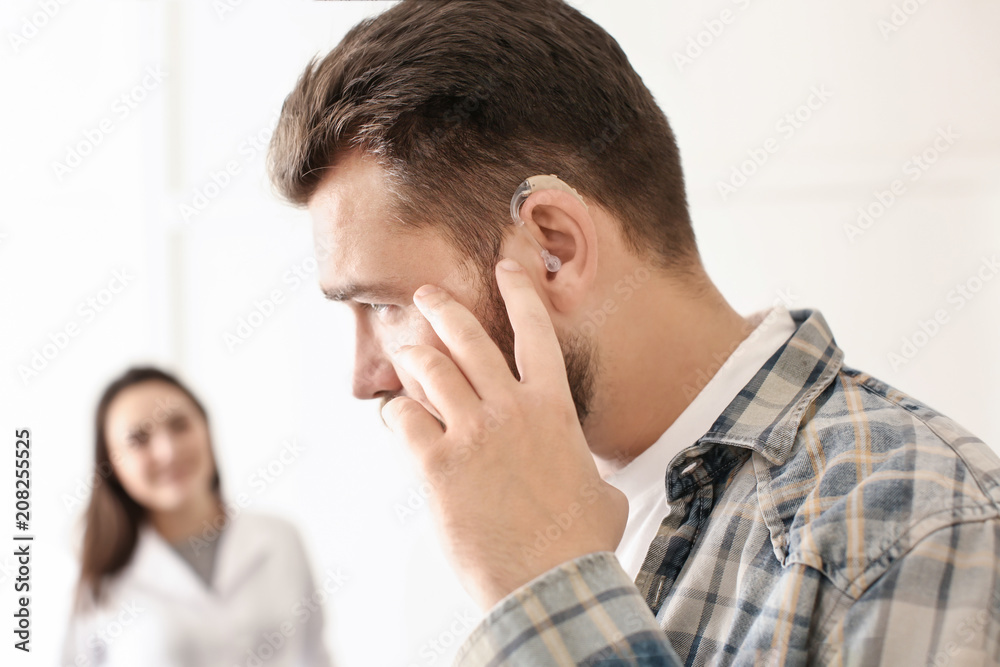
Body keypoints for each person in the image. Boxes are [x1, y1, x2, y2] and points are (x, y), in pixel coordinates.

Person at [266, 0, 1000, 664]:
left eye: (385, 305)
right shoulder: (535, 501)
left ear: (553, 248)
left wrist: (548, 591)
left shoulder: (912, 529)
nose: (366, 377)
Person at [61, 366, 334, 667]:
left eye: (179, 425)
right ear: (110, 463)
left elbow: (316, 655)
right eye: (139, 439)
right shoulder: (95, 571)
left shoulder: (280, 538)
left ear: (206, 427)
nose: (167, 451)